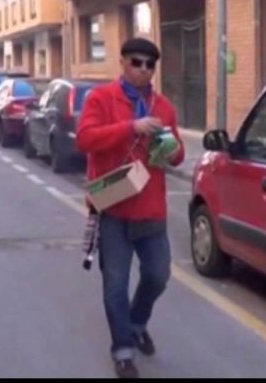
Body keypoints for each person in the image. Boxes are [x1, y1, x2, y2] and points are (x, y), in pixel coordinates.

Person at [75, 37, 185, 379]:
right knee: (115, 286)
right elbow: (85, 139)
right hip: (113, 210)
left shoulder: (163, 106)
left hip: (151, 210)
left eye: (150, 65)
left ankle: (136, 323)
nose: (144, 70)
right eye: (137, 62)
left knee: (157, 275)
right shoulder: (101, 98)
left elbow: (178, 156)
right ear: (122, 62)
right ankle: (122, 350)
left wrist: (169, 148)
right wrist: (130, 128)